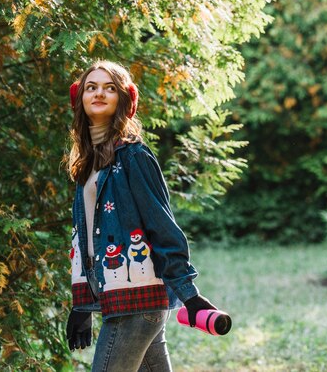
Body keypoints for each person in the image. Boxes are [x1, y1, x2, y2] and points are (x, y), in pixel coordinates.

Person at [64, 60, 217, 371]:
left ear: (124, 99)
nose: (99, 93)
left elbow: (162, 226)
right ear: (79, 98)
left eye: (109, 88)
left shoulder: (133, 157)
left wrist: (189, 293)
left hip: (136, 302)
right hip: (123, 300)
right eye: (91, 87)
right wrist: (82, 303)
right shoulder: (88, 163)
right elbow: (86, 241)